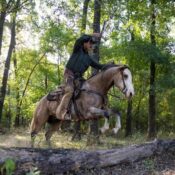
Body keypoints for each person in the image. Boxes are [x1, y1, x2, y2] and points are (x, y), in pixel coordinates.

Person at [56, 33, 105, 120]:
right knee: (70, 90)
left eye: (93, 44)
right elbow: (79, 39)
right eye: (90, 43)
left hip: (79, 78)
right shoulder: (77, 49)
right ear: (84, 43)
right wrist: (92, 35)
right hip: (69, 74)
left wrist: (113, 66)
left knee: (87, 90)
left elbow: (100, 66)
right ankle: (62, 112)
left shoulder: (89, 59)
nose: (91, 45)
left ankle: (80, 110)